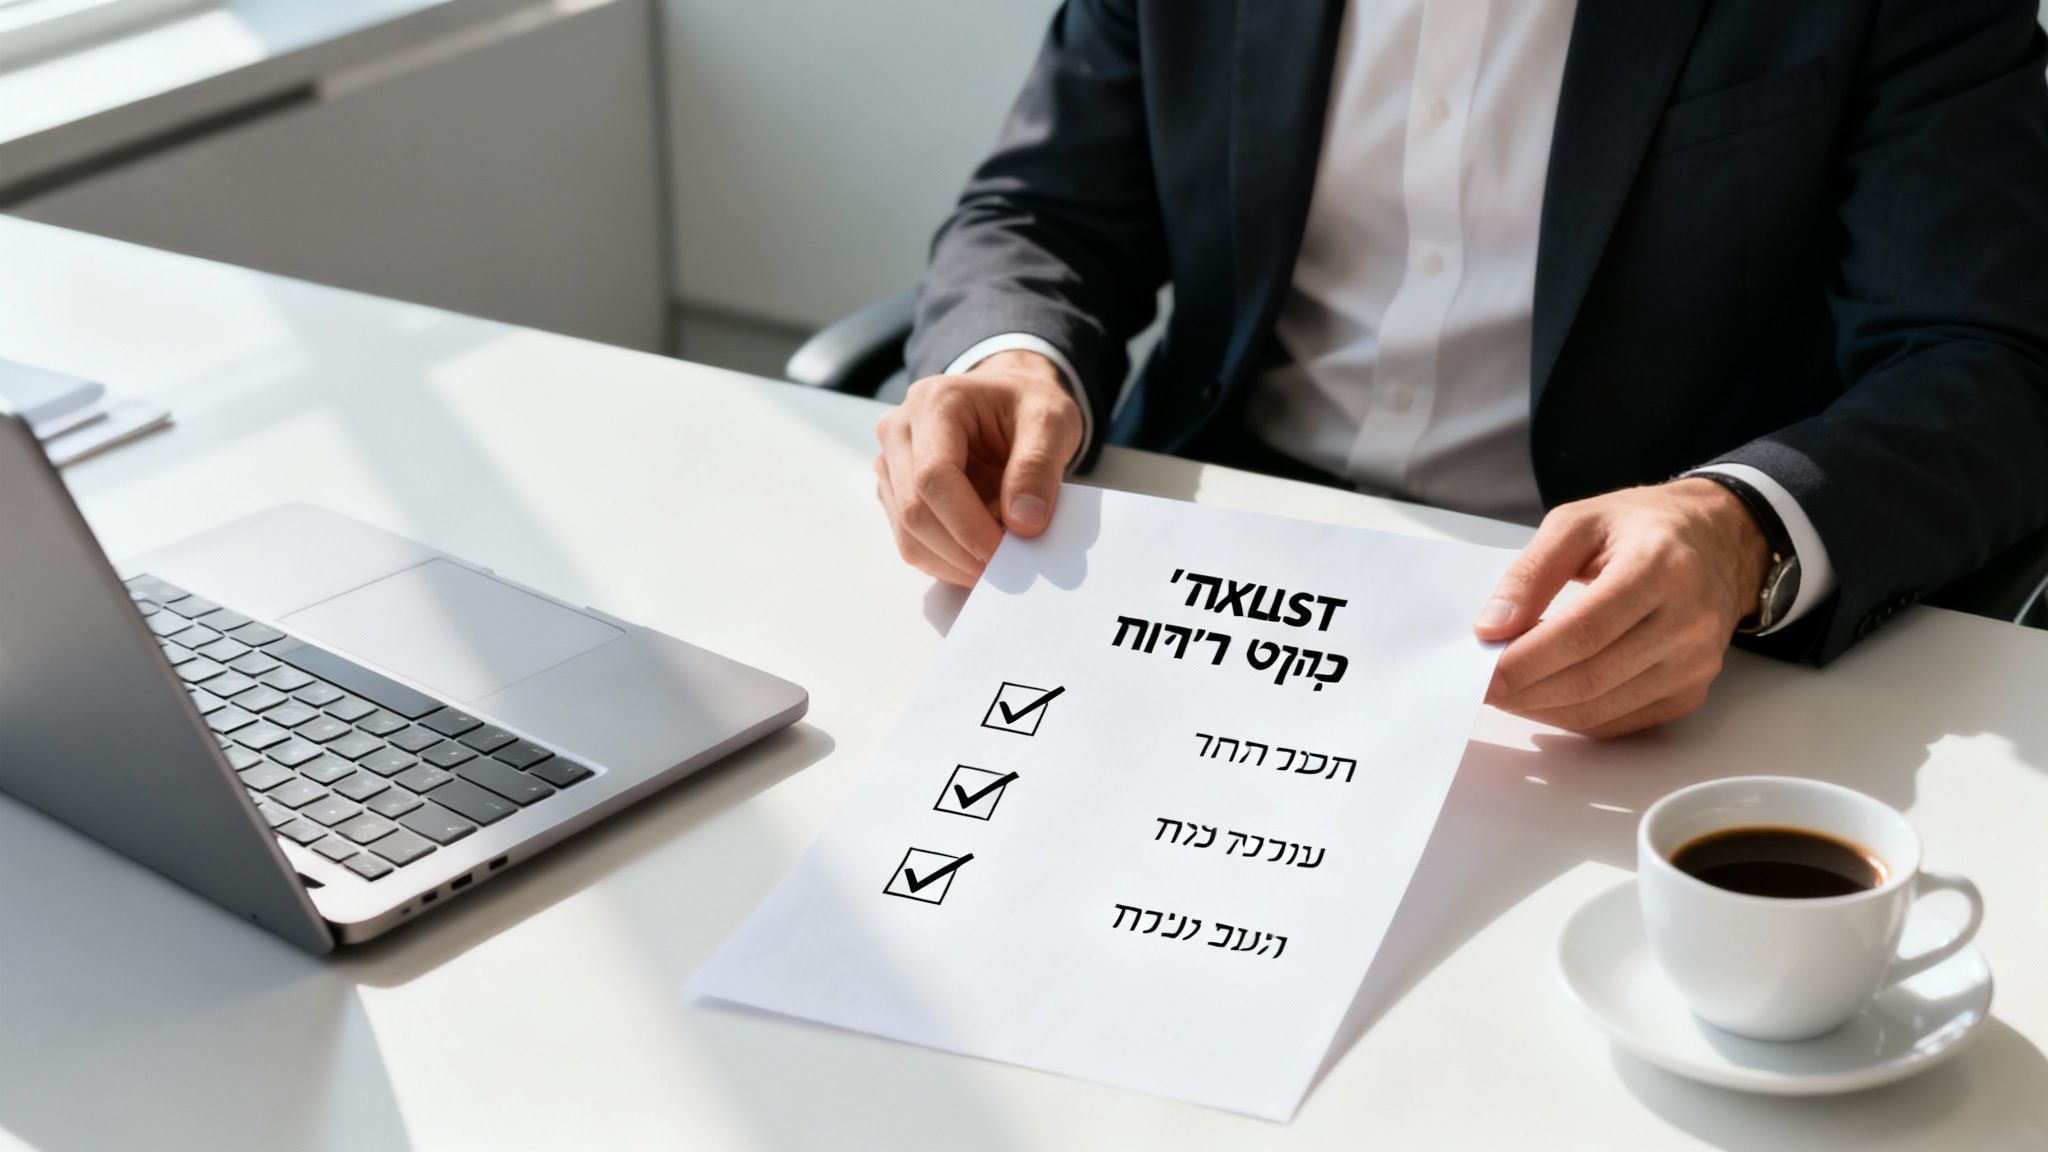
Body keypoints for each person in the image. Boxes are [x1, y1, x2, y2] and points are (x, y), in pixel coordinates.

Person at [874, 0, 2048, 737]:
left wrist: (1737, 525)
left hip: (1617, 646)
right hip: (1196, 566)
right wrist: (1008, 355)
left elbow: (1984, 360)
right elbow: (1042, 213)